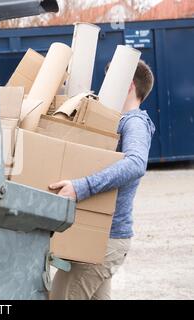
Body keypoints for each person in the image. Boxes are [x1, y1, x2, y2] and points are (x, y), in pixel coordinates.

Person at [48, 60, 156, 300]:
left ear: (128, 85)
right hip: (99, 237)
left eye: (109, 79)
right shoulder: (112, 121)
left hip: (106, 241)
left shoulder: (135, 122)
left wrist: (81, 187)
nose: (104, 86)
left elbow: (136, 163)